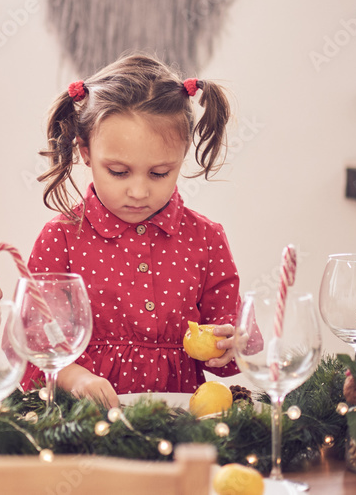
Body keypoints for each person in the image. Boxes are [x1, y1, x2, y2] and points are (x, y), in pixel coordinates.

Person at [28, 54, 241, 408]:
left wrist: (228, 344)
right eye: (119, 171)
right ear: (85, 151)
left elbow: (228, 332)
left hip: (179, 422)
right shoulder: (61, 239)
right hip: (83, 426)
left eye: (159, 173)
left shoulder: (206, 239)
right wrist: (75, 377)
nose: (139, 192)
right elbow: (36, 342)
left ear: (183, 154)